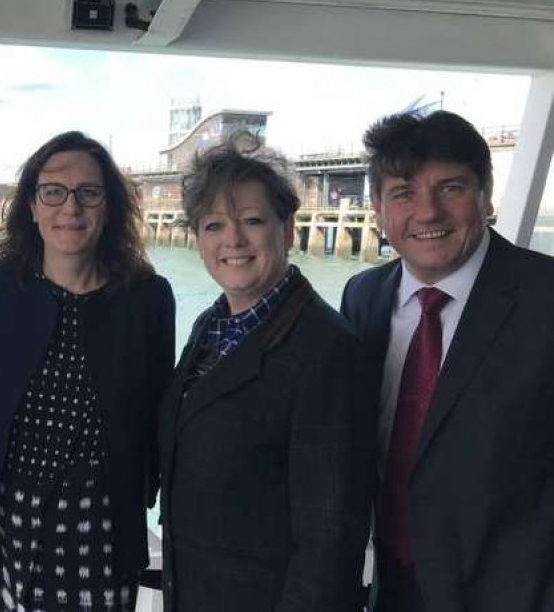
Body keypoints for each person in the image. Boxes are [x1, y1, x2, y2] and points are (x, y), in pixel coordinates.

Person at [341, 110, 554, 612]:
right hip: (390, 586)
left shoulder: (546, 297)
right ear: (377, 209)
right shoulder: (363, 298)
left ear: (486, 195)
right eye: (403, 193)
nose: (428, 212)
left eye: (451, 188)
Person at [0, 131, 175, 611]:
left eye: (89, 193)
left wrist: (146, 491)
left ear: (110, 206)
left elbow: (160, 414)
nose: (70, 208)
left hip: (97, 532)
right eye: (53, 191)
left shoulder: (148, 297)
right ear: (32, 206)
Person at [159, 136, 377, 611]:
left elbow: (329, 537)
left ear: (288, 228)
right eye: (214, 224)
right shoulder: (213, 325)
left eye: (252, 221)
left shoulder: (327, 349)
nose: (233, 240)